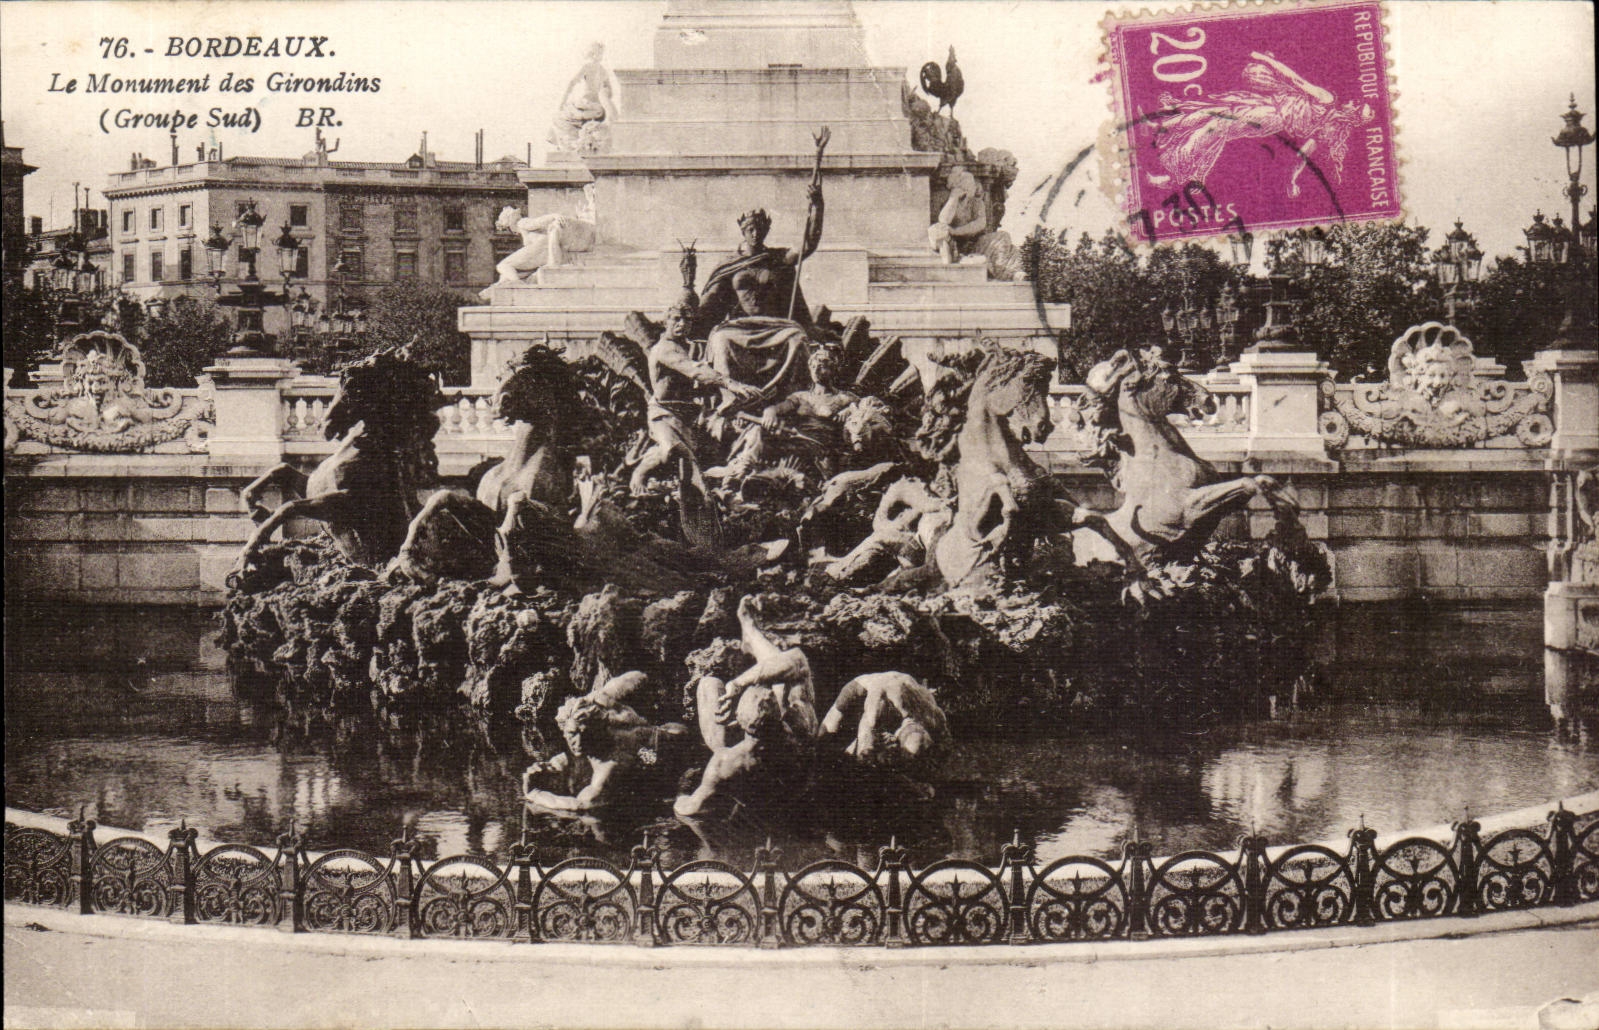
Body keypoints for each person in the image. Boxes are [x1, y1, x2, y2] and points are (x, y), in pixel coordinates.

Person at [692, 178, 827, 415]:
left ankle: (793, 397)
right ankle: (729, 397)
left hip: (775, 325)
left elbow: (808, 244)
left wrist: (817, 205)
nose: (755, 233)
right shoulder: (730, 265)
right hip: (739, 326)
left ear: (766, 230)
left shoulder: (777, 259)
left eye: (759, 229)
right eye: (750, 229)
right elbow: (710, 302)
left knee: (797, 338)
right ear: (742, 231)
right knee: (721, 340)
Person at [705, 346, 856, 481]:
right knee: (757, 430)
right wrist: (769, 412)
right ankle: (742, 469)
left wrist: (850, 410)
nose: (816, 371)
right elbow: (778, 408)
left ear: (834, 370)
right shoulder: (801, 396)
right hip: (795, 440)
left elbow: (868, 409)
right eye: (813, 366)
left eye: (823, 367)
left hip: (820, 447)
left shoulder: (844, 398)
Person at [819, 672, 950, 767]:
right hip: (864, 686)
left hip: (900, 688)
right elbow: (867, 731)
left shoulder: (934, 717)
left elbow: (945, 746)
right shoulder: (879, 707)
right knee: (827, 731)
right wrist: (868, 750)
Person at [549, 42, 618, 152]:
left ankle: (569, 146)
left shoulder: (587, 66)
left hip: (585, 104)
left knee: (558, 118)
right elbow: (610, 92)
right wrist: (604, 98)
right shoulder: (603, 70)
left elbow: (571, 83)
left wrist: (562, 102)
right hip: (599, 108)